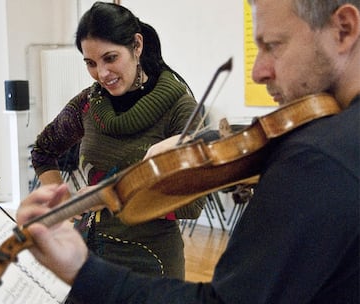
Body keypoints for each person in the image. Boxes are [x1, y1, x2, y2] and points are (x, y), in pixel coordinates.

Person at [19, 0, 359, 303]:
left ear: (344, 30)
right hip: (94, 238)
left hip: (149, 254)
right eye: (90, 63)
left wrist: (84, 267)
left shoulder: (316, 159)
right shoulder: (88, 104)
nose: (258, 71)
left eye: (272, 45)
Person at [30, 1, 205, 281]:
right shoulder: (88, 104)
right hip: (87, 256)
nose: (102, 74)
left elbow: (192, 203)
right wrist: (62, 202)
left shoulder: (180, 108)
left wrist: (111, 194)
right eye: (90, 63)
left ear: (137, 46)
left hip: (150, 261)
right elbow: (43, 151)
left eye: (110, 58)